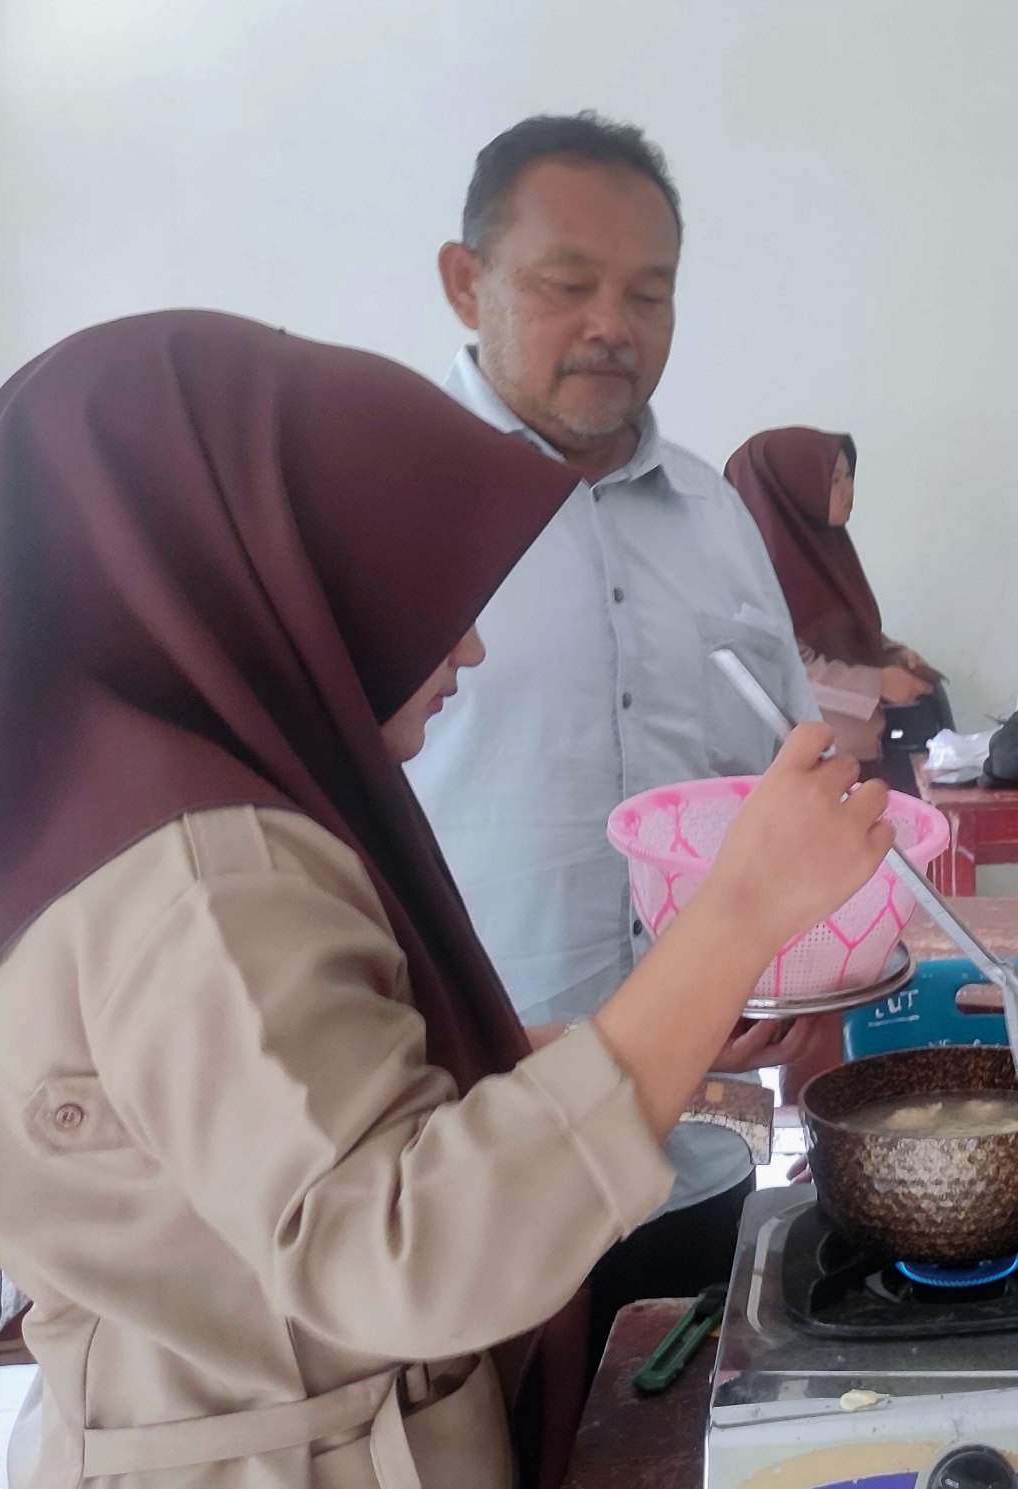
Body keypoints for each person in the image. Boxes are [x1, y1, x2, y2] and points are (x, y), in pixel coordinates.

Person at [0, 312, 895, 1489]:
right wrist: (737, 912)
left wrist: (662, 1034)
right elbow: (405, 1251)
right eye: (413, 584)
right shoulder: (209, 877)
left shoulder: (107, 828)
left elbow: (256, 1145)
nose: (473, 646)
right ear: (266, 571)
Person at [409, 112, 833, 1354]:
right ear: (464, 281)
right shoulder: (387, 509)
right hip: (459, 1147)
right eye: (566, 284)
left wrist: (813, 973)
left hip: (696, 1132)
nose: (614, 321)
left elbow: (786, 780)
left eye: (650, 291)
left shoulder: (713, 516)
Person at [726, 427, 942, 801]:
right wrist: (879, 683)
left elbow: (841, 628)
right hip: (807, 770)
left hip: (861, 753)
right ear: (790, 490)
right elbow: (783, 673)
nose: (848, 491)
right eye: (834, 479)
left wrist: (891, 652)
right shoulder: (749, 577)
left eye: (849, 477)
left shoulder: (823, 551)